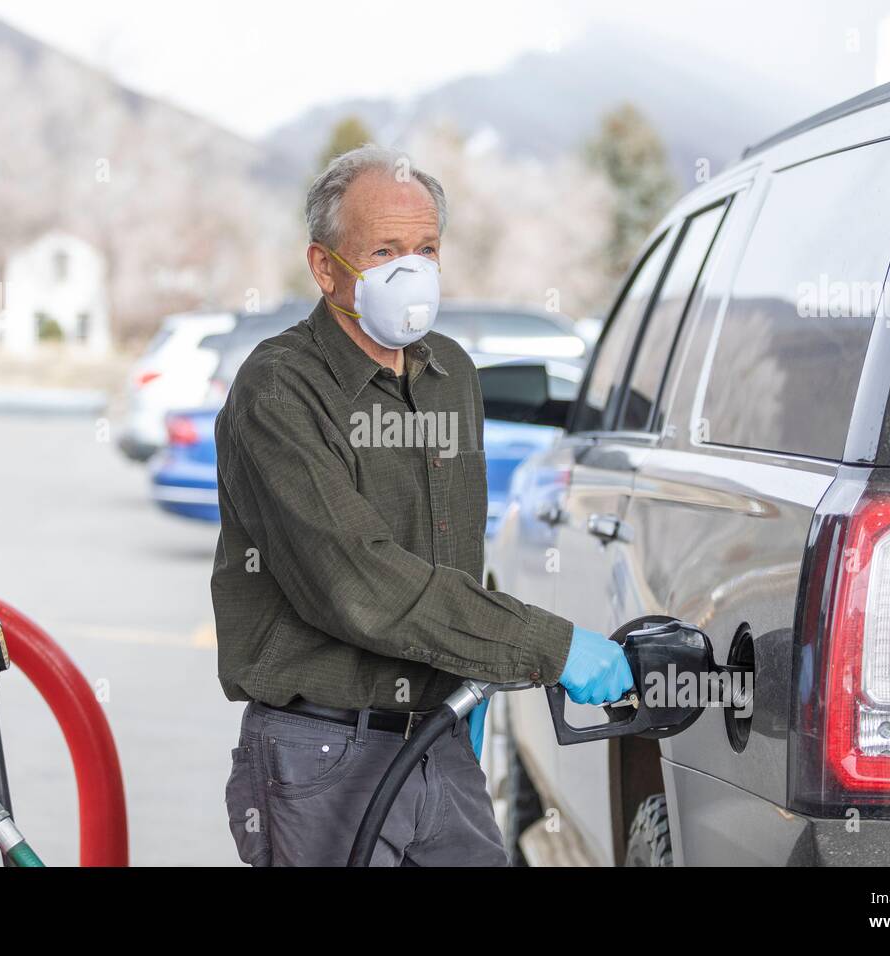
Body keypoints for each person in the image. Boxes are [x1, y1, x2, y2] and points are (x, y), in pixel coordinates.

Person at [213, 145, 631, 866]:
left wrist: (475, 671)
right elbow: (355, 584)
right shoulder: (279, 390)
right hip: (322, 757)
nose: (413, 269)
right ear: (324, 268)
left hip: (440, 741)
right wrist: (548, 646)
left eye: (427, 248)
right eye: (384, 250)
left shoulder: (450, 374)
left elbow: (451, 558)